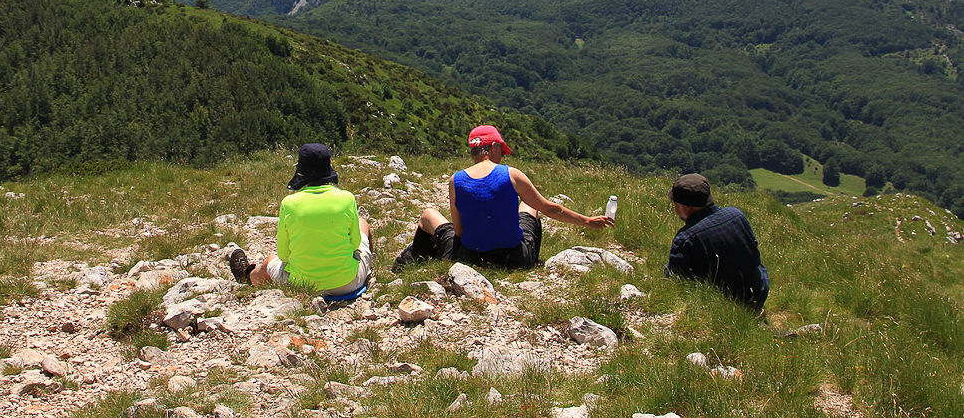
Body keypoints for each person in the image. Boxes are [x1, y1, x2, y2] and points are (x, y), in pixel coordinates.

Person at [393, 125, 613, 270]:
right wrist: (587, 221)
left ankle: (409, 264)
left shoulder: (456, 180)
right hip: (514, 259)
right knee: (530, 205)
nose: (503, 156)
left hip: (469, 259)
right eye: (502, 151)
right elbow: (550, 209)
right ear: (494, 147)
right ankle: (533, 258)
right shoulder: (511, 174)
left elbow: (458, 232)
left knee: (428, 215)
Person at [229, 143, 374, 297]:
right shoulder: (347, 199)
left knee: (268, 262)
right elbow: (355, 244)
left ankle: (247, 276)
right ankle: (371, 270)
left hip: (302, 285)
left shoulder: (289, 203)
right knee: (362, 223)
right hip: (348, 284)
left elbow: (284, 255)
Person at [665, 173, 770, 311]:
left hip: (725, 307)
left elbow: (676, 282)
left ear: (685, 206)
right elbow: (753, 249)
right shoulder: (736, 214)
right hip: (758, 292)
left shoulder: (686, 238)